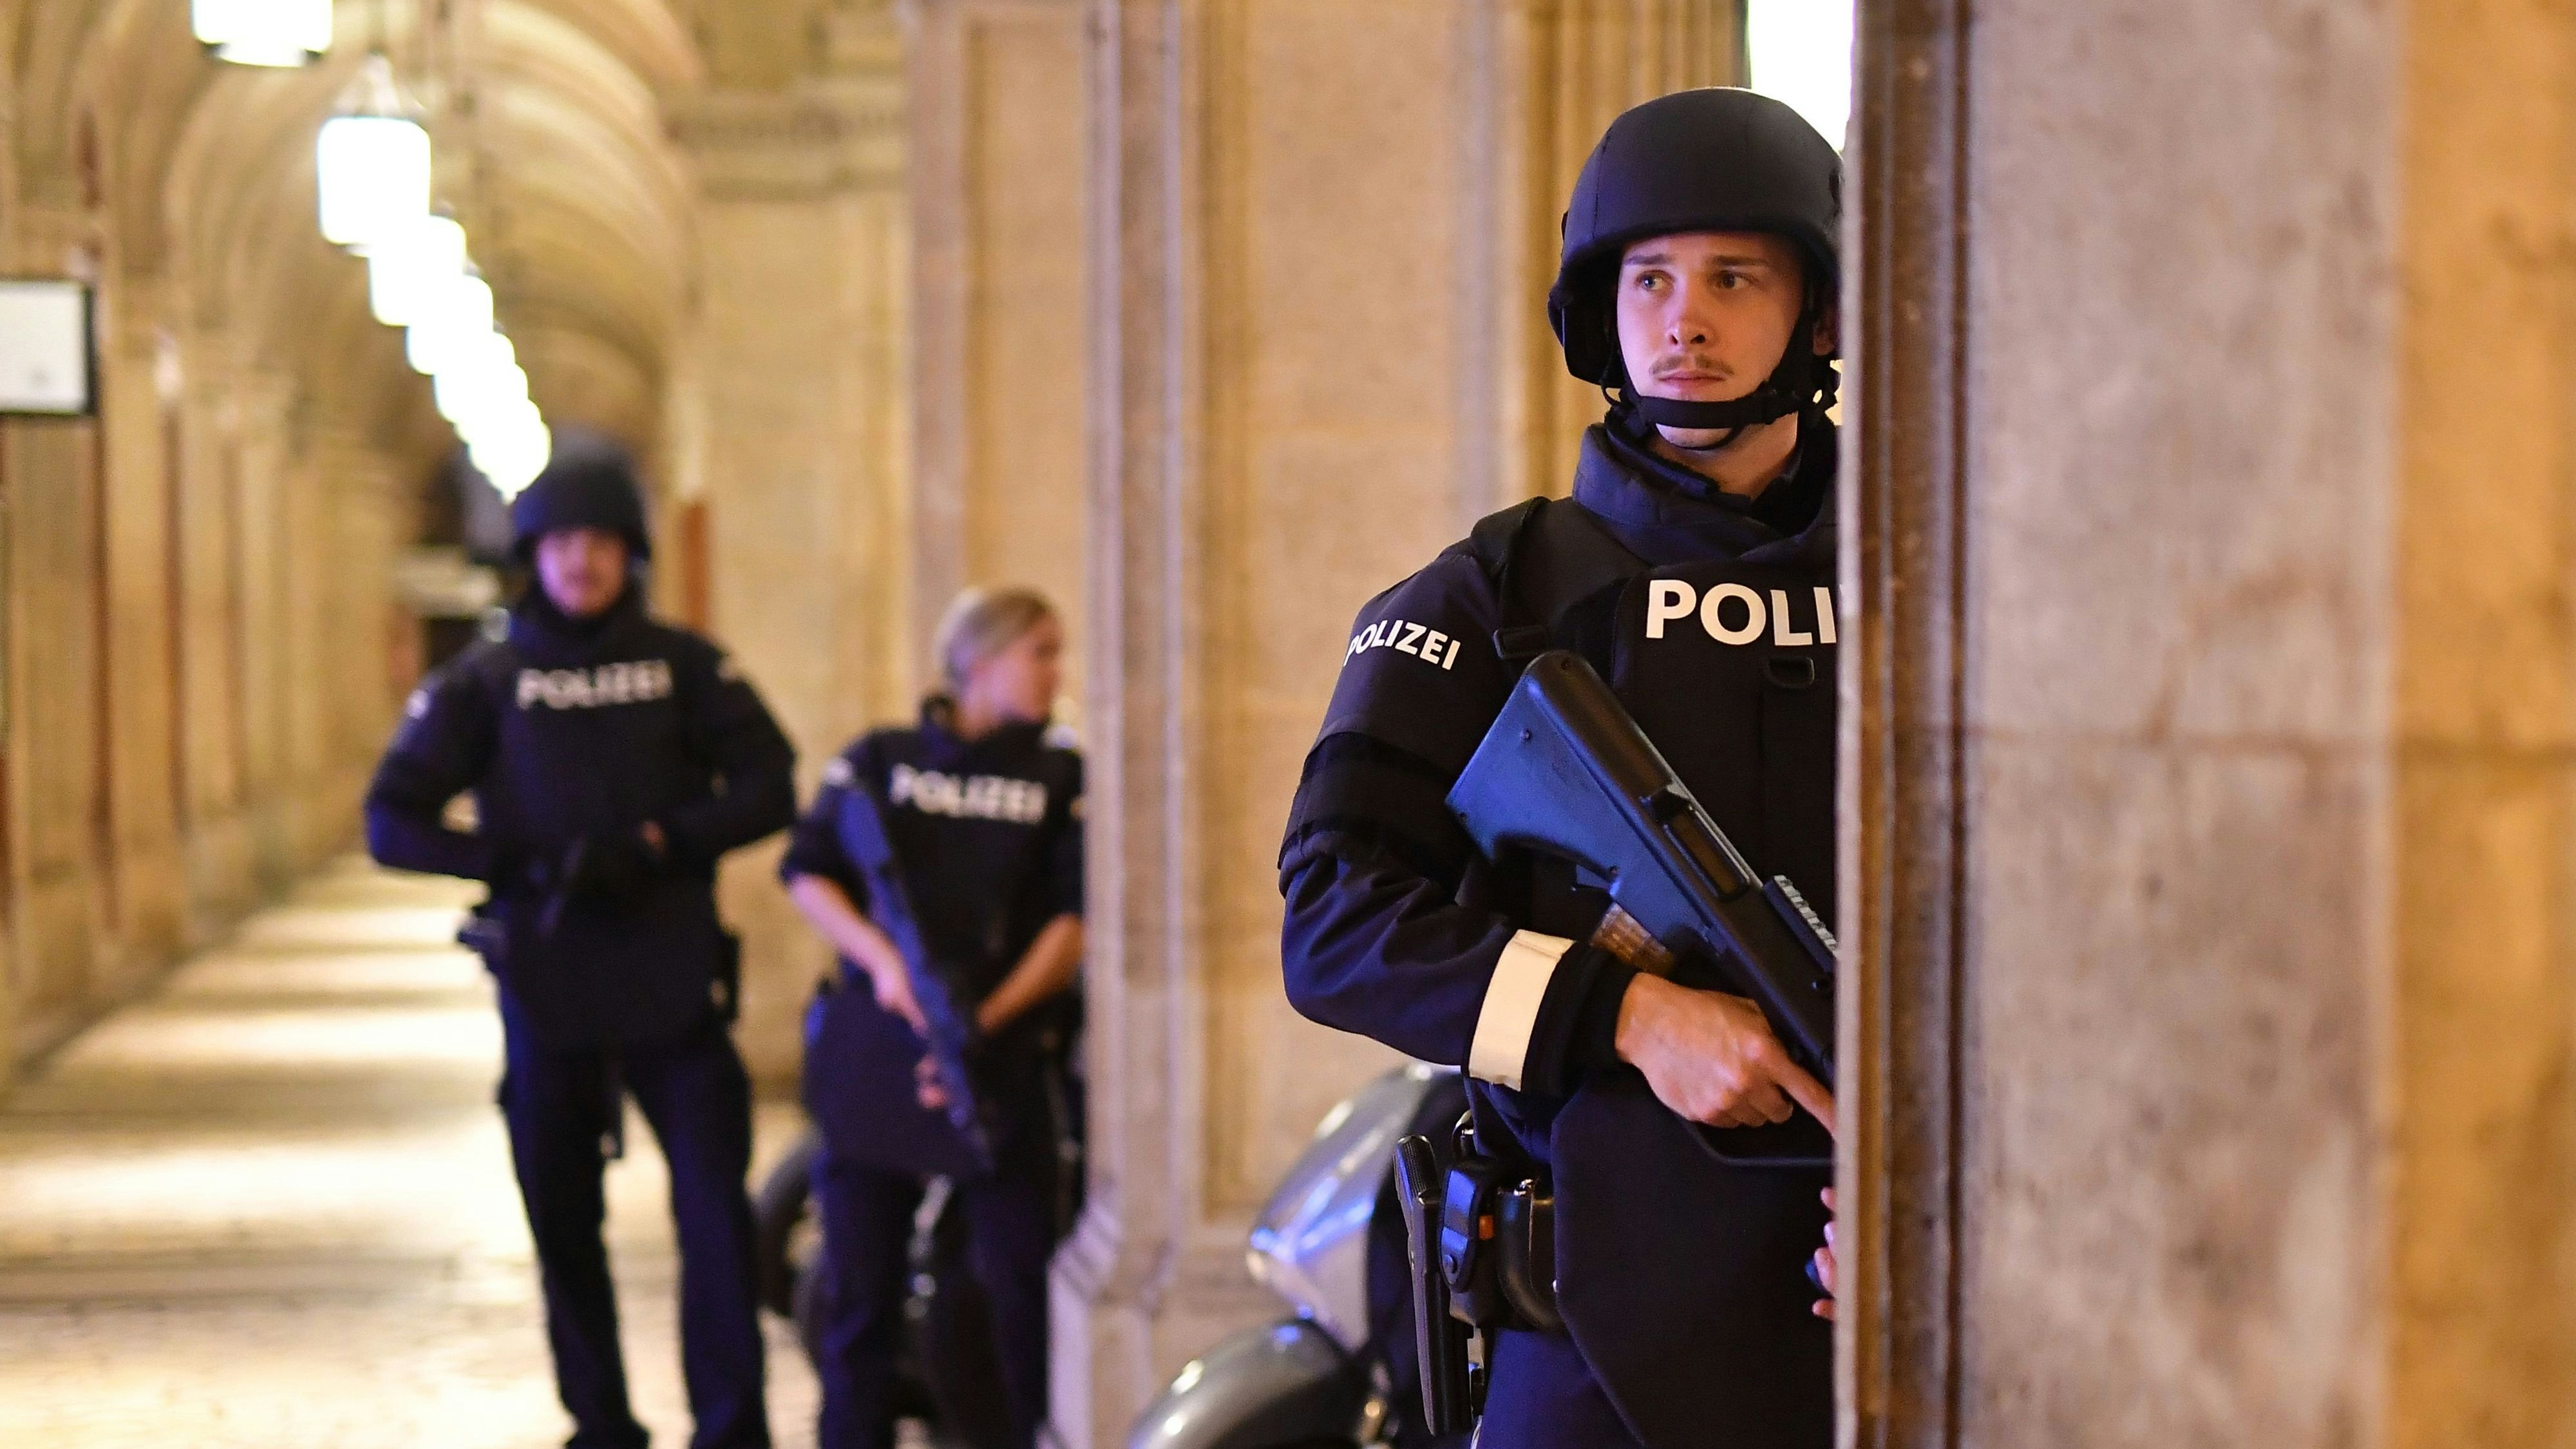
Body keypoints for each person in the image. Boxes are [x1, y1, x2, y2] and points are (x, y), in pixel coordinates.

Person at [1276, 88, 1844, 1448]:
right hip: (1592, 1336)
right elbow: (1333, 916)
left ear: (1818, 317)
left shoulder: (1940, 583)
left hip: (1880, 1289)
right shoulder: (1492, 595)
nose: (1683, 318)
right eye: (1646, 280)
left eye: (1731, 277)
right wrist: (1630, 1019)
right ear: (1602, 312)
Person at [364, 433, 797, 1449]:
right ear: (533, 554)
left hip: (674, 985)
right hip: (548, 981)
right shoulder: (491, 678)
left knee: (713, 1220)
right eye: (561, 542)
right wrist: (512, 860)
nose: (581, 561)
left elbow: (770, 782)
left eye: (601, 540)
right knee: (563, 1225)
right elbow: (393, 818)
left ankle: (731, 1427)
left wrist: (662, 841)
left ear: (631, 552)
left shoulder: (686, 666)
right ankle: (600, 1420)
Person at [780, 587, 1086, 1449]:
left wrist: (985, 1016)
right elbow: (809, 870)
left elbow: (1072, 924)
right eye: (1041, 651)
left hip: (999, 1057)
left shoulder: (1060, 773)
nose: (1056, 671)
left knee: (1015, 1287)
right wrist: (883, 962)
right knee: (858, 1298)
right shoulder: (884, 758)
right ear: (980, 659)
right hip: (878, 1053)